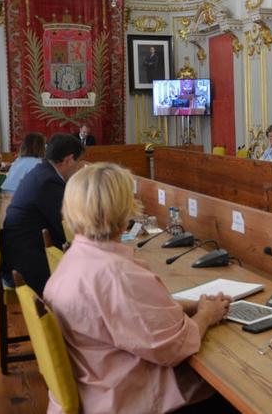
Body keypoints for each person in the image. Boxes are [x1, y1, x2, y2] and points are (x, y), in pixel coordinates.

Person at [43, 163, 234, 414]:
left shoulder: (74, 258)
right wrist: (206, 316)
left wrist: (195, 304)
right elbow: (174, 348)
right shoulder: (117, 275)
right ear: (125, 210)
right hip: (128, 398)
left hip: (95, 390)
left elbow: (130, 316)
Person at [1, 134, 85, 296]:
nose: (79, 168)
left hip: (18, 258)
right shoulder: (48, 181)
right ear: (68, 160)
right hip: (26, 266)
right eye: (78, 162)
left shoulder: (42, 172)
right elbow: (67, 225)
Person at [0, 132, 46, 225]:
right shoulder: (39, 164)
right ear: (41, 147)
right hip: (19, 209)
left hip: (3, 208)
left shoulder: (18, 160)